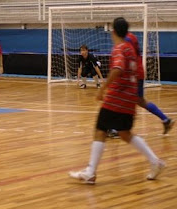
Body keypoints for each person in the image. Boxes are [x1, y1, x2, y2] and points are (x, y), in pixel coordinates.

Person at [69, 17, 165, 184]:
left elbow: (117, 69)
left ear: (113, 31)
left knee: (100, 130)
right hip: (129, 98)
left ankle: (91, 172)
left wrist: (103, 89)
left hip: (116, 99)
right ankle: (155, 161)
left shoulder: (119, 48)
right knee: (125, 134)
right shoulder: (130, 48)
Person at [107, 32, 174, 137]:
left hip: (132, 73)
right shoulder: (131, 36)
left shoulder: (126, 40)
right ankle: (165, 120)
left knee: (121, 98)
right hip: (137, 72)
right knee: (140, 101)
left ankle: (118, 128)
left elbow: (126, 57)